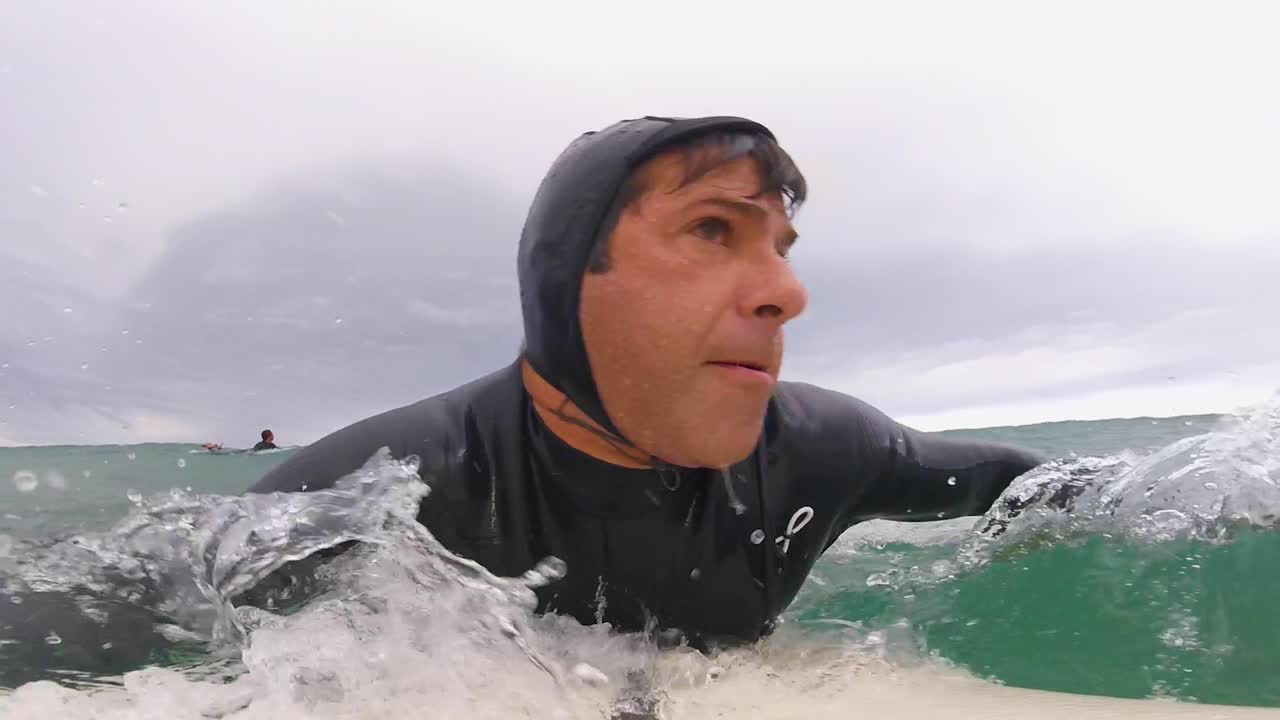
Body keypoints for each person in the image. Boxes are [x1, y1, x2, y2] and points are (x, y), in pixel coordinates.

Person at [247, 115, 1048, 649]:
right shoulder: (373, 495)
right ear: (565, 276)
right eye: (712, 228)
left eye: (780, 248)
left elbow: (1031, 486)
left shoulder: (823, 451)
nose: (788, 292)